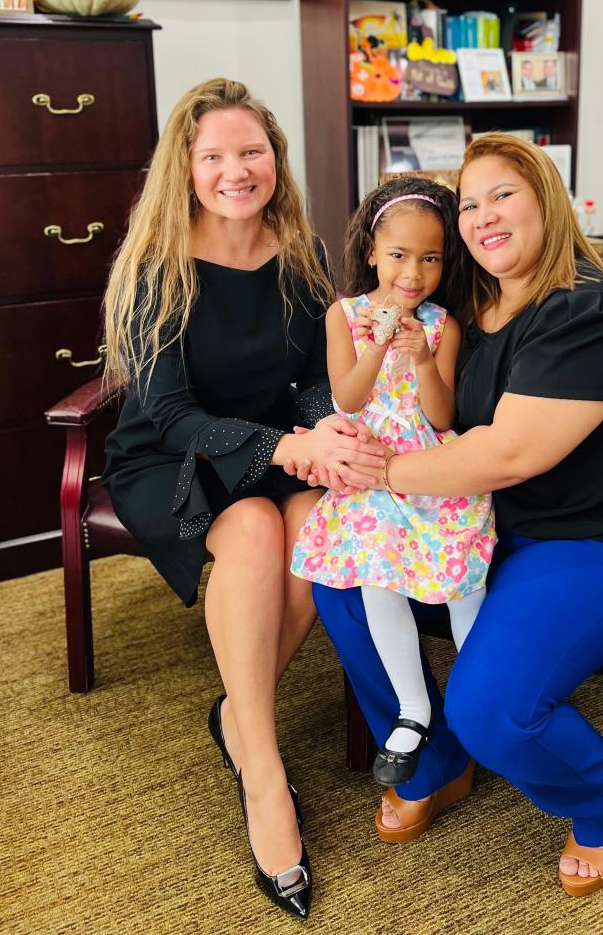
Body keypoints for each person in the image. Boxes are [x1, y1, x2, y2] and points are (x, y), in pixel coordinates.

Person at [300, 133, 603, 897]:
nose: (483, 216)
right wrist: (333, 434)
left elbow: (506, 453)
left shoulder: (585, 311)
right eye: (469, 203)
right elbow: (395, 397)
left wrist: (373, 476)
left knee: (493, 705)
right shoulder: (469, 307)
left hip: (591, 539)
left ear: (547, 199)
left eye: (503, 194)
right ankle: (436, 761)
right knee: (340, 579)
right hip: (484, 521)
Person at [101, 78, 387, 919]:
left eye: (251, 151)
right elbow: (171, 415)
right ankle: (262, 770)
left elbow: (306, 382)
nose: (237, 170)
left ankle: (236, 711)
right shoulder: (155, 268)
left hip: (269, 444)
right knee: (259, 531)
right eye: (215, 155)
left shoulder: (299, 254)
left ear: (275, 158)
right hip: (171, 455)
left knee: (314, 521)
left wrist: (323, 436)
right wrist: (288, 446)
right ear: (184, 169)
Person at [289, 178, 495, 787]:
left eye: (430, 258)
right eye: (400, 254)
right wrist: (379, 345)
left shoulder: (442, 326)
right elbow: (348, 398)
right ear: (373, 252)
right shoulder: (343, 316)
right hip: (371, 465)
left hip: (429, 464)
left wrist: (424, 359)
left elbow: (441, 417)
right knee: (378, 576)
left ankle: (479, 692)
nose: (414, 272)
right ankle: (413, 707)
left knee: (462, 577)